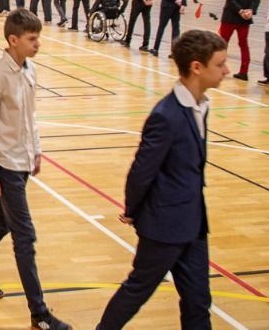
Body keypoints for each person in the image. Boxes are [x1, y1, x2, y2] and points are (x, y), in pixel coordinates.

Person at [95, 30, 229, 330]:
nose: (226, 70)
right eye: (220, 64)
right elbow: (141, 172)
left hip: (193, 224)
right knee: (137, 290)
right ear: (197, 67)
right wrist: (133, 210)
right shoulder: (166, 116)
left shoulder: (201, 105)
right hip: (164, 226)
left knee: (198, 300)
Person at [0, 9, 71, 330]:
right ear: (13, 40)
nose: (38, 44)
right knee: (25, 236)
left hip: (23, 162)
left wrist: (36, 151)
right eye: (32, 39)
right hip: (5, 166)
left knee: (1, 222)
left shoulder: (30, 69)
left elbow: (30, 117)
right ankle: (40, 314)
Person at [219, 0, 260, 81]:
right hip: (245, 19)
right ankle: (244, 72)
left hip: (231, 17)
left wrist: (240, 10)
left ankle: (219, 68)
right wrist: (250, 10)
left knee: (222, 43)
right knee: (244, 44)